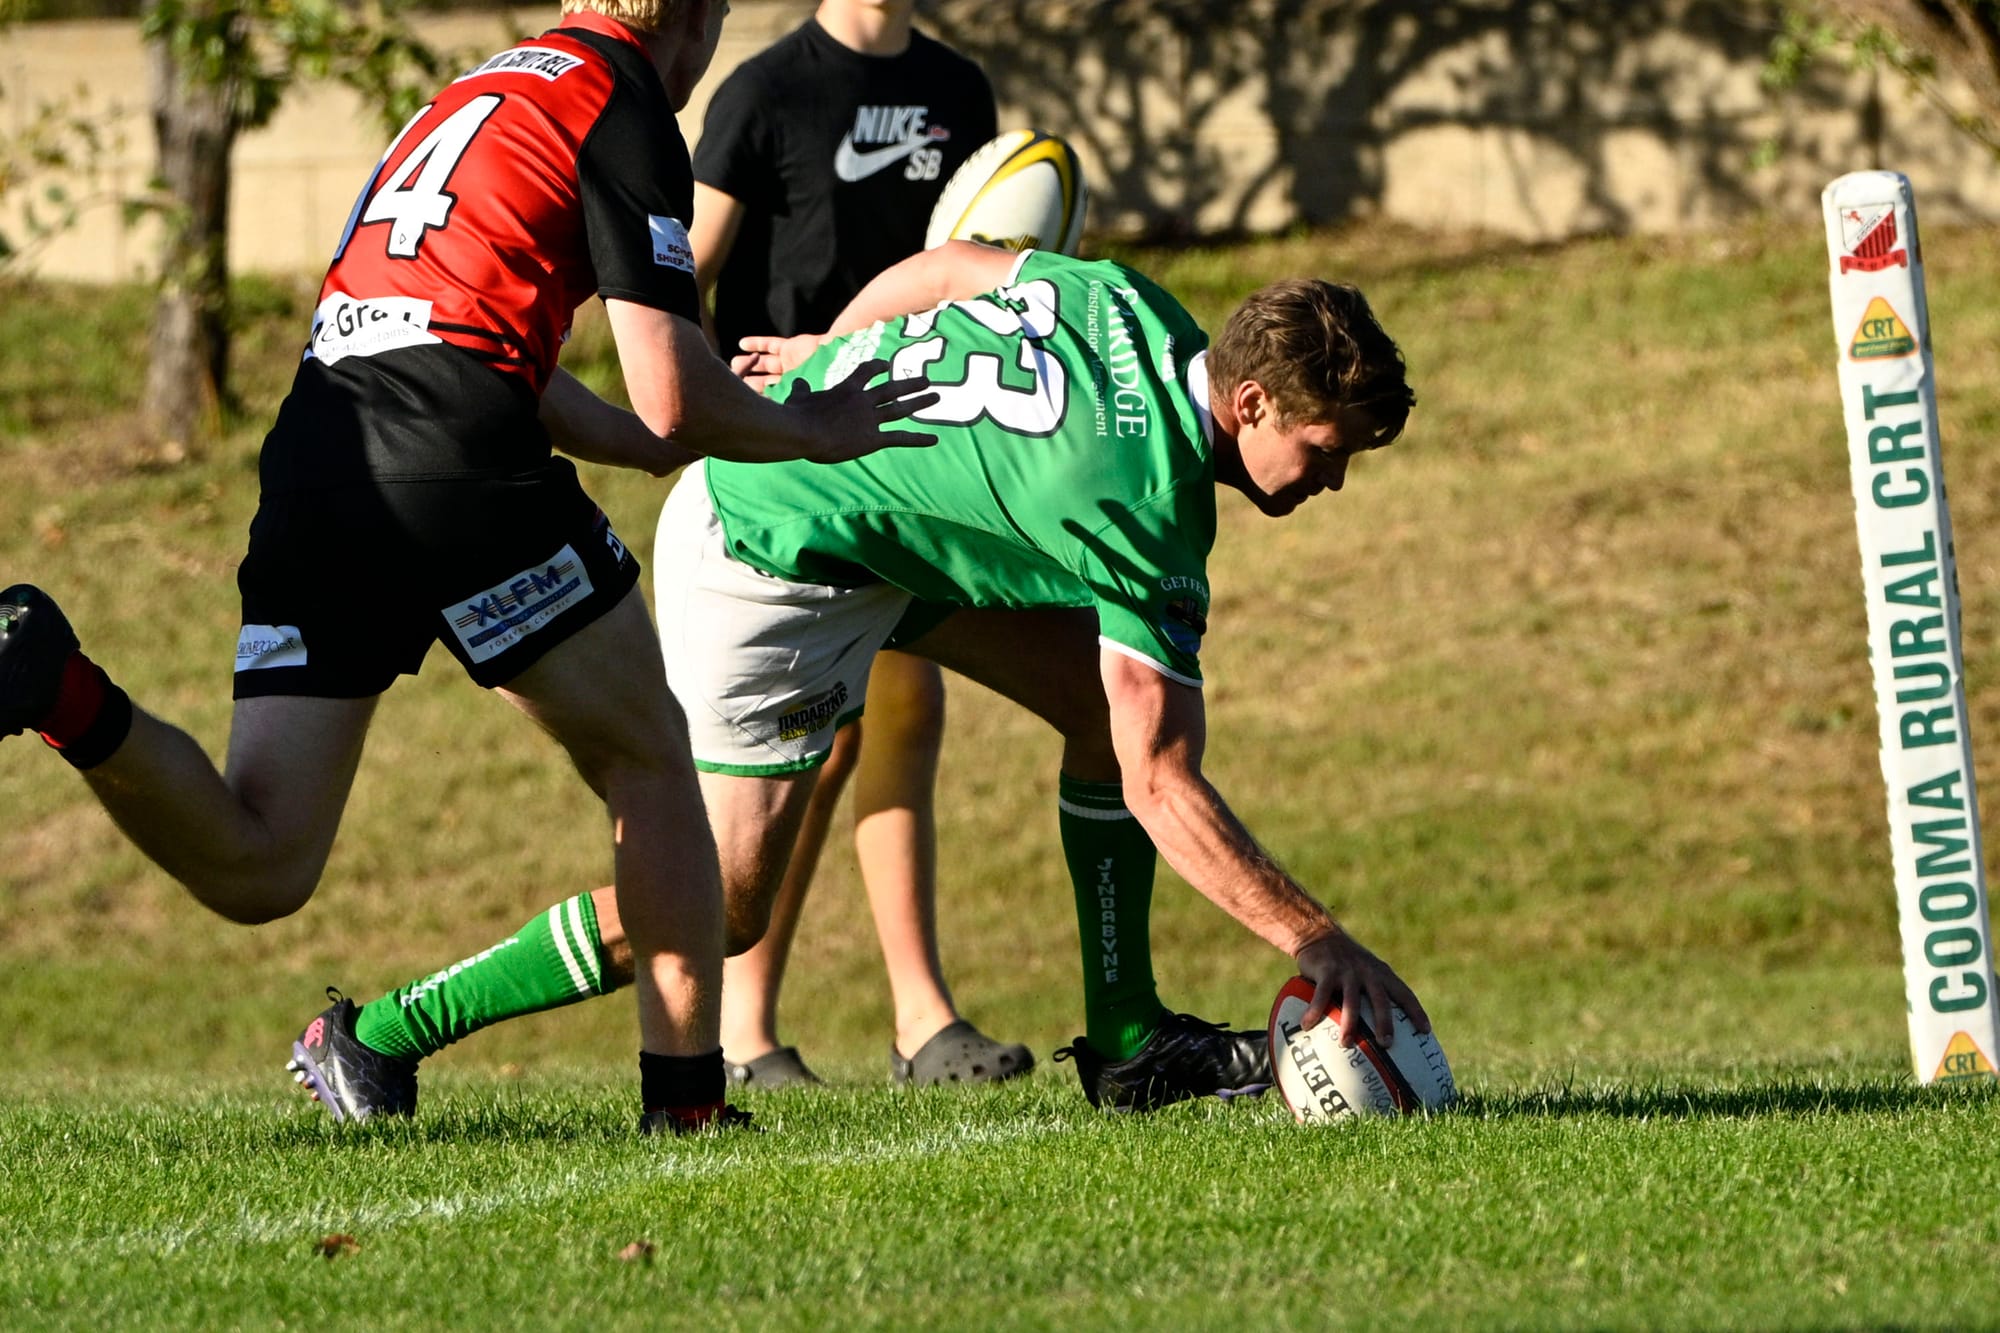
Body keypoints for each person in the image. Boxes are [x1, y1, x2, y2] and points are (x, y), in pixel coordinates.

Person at [0, 0, 939, 1136]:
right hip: (455, 460)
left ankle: (57, 688)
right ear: (689, 15)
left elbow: (486, 344)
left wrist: (639, 447)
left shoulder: (478, 92)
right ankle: (689, 1104)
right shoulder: (622, 98)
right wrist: (815, 426)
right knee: (650, 761)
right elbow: (670, 386)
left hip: (317, 453)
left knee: (262, 864)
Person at [286, 238, 1433, 1117]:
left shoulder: (1130, 303)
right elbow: (1159, 782)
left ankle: (1130, 1046)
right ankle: (378, 1034)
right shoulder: (1144, 509)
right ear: (1251, 404)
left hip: (871, 539)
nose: (1330, 480)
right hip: (765, 554)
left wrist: (829, 362)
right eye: (1327, 449)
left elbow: (940, 267)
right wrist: (1313, 939)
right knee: (723, 908)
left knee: (1091, 706)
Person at [685, 0, 1026, 1089]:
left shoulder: (956, 91)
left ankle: (922, 1019)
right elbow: (680, 268)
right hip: (789, 452)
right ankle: (742, 1030)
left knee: (907, 712)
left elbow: (978, 256)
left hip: (906, 443)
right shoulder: (762, 93)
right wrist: (707, 404)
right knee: (819, 742)